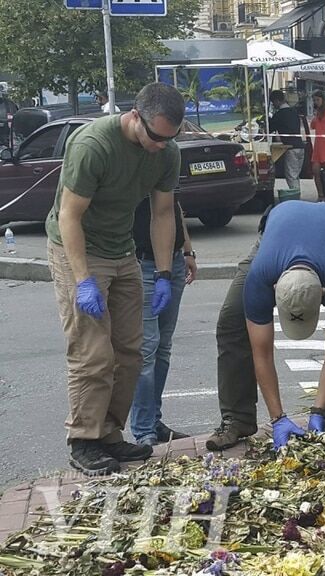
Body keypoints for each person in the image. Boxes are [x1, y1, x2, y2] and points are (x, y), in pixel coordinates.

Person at [45, 82, 184, 475]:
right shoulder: (94, 145)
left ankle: (109, 435)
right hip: (78, 248)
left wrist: (160, 273)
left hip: (122, 250)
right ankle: (83, 440)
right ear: (134, 117)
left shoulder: (166, 152)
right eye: (156, 136)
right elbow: (69, 216)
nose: (161, 144)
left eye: (170, 137)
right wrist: (83, 279)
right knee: (92, 352)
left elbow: (162, 214)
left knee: (130, 351)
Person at [205, 201, 325, 451]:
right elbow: (262, 352)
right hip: (275, 237)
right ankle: (237, 419)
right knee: (233, 320)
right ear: (274, 288)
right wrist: (278, 419)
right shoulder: (261, 276)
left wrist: (318, 411)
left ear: (324, 292)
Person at [129, 199, 196, 446]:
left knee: (163, 348)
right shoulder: (132, 166)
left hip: (174, 262)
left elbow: (174, 206)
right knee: (147, 350)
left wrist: (187, 251)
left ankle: (153, 422)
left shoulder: (167, 161)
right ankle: (143, 429)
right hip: (144, 263)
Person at [268, 90, 304, 192]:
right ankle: (297, 194)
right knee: (296, 175)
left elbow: (270, 128)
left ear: (277, 101)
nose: (273, 105)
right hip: (301, 147)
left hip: (291, 148)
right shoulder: (294, 112)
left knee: (291, 175)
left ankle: (296, 199)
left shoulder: (280, 114)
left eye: (273, 102)